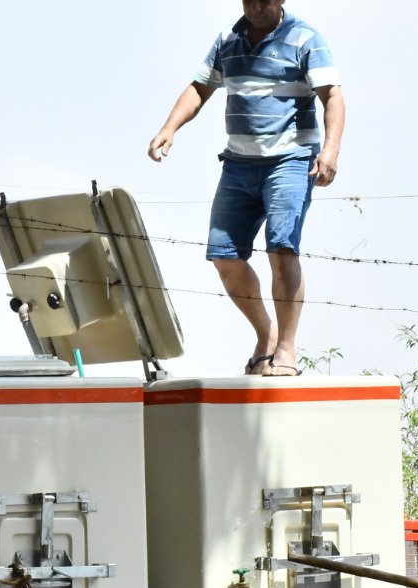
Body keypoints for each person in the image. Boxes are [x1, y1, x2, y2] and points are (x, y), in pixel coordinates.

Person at [147, 0, 344, 377]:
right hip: (238, 164)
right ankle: (266, 336)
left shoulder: (305, 38)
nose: (255, 5)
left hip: (290, 161)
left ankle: (286, 349)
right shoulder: (228, 39)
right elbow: (199, 88)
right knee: (224, 256)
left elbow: (332, 95)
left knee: (281, 248)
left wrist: (331, 151)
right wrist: (168, 129)